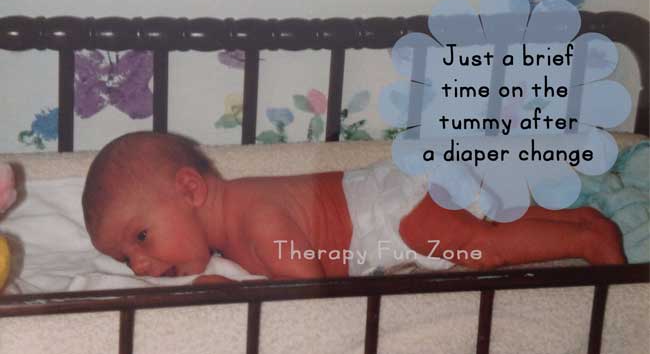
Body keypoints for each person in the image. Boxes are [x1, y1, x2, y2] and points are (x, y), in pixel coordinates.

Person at [81, 132, 625, 283]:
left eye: (141, 239)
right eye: (127, 260)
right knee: (480, 226)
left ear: (191, 189)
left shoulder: (256, 220)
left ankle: (583, 239)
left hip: (387, 217)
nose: (142, 266)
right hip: (381, 197)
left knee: (477, 247)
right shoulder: (225, 223)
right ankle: (580, 220)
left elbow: (309, 284)